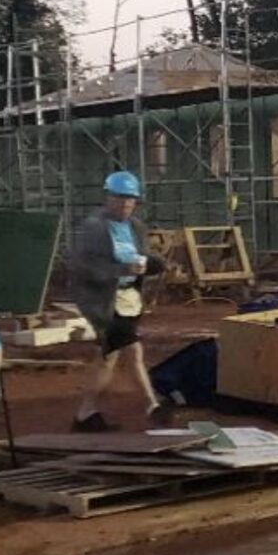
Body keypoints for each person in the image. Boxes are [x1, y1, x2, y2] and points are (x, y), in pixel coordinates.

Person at [71, 171, 167, 431]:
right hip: (102, 301)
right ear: (108, 198)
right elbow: (84, 267)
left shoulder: (135, 227)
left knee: (109, 357)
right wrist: (121, 271)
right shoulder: (95, 227)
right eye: (119, 198)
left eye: (129, 200)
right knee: (132, 350)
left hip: (129, 299)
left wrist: (153, 264)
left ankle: (85, 413)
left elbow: (146, 257)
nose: (124, 204)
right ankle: (152, 405)